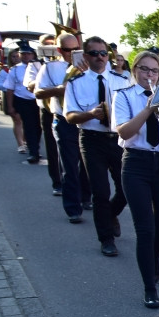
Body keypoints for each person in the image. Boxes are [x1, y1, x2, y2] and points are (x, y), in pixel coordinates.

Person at [113, 50, 159, 309]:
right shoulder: (123, 95)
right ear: (135, 70)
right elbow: (125, 132)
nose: (149, 75)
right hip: (135, 162)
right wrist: (148, 108)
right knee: (145, 229)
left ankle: (152, 261)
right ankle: (149, 287)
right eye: (144, 69)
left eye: (154, 71)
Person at [64, 36, 130, 257]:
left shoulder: (121, 81)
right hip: (92, 139)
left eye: (103, 53)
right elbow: (70, 116)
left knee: (126, 190)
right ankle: (106, 239)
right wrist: (90, 114)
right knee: (100, 192)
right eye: (94, 54)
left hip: (118, 140)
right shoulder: (76, 82)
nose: (100, 58)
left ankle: (110, 214)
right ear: (85, 56)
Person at [33, 31, 93, 223]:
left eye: (76, 49)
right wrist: (59, 89)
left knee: (87, 165)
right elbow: (38, 92)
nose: (73, 53)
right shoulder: (50, 68)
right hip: (64, 119)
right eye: (68, 50)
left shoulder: (88, 65)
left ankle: (86, 197)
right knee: (69, 165)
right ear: (59, 50)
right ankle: (73, 208)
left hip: (86, 120)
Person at [25, 34, 63, 194]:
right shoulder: (35, 64)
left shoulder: (64, 63)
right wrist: (43, 79)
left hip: (65, 109)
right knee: (52, 148)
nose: (49, 47)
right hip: (47, 109)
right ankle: (57, 182)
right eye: (46, 45)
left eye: (52, 44)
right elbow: (30, 84)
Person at [3, 41, 42, 163]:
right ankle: (33, 152)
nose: (26, 56)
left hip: (38, 100)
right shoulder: (14, 70)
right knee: (29, 125)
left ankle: (36, 148)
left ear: (33, 55)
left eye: (28, 54)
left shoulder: (40, 66)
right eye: (23, 54)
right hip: (22, 100)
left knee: (38, 127)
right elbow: (9, 89)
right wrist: (10, 107)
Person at [2, 49, 28, 153]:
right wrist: (7, 84)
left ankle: (26, 141)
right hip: (11, 96)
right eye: (13, 56)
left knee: (26, 122)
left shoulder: (28, 68)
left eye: (17, 56)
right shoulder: (6, 70)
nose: (15, 58)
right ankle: (20, 144)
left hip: (25, 98)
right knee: (17, 121)